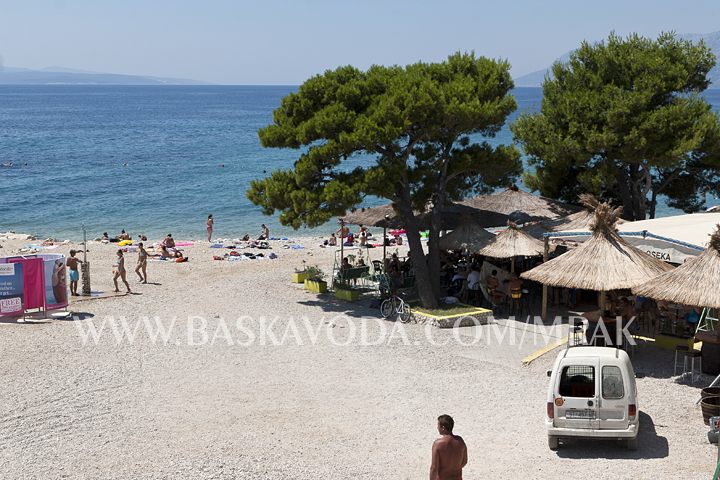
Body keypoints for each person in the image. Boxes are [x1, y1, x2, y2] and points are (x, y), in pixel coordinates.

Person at [430, 414, 467, 480]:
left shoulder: (438, 444)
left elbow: (434, 467)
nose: (437, 428)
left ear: (443, 428)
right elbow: (464, 461)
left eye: (438, 425)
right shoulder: (460, 441)